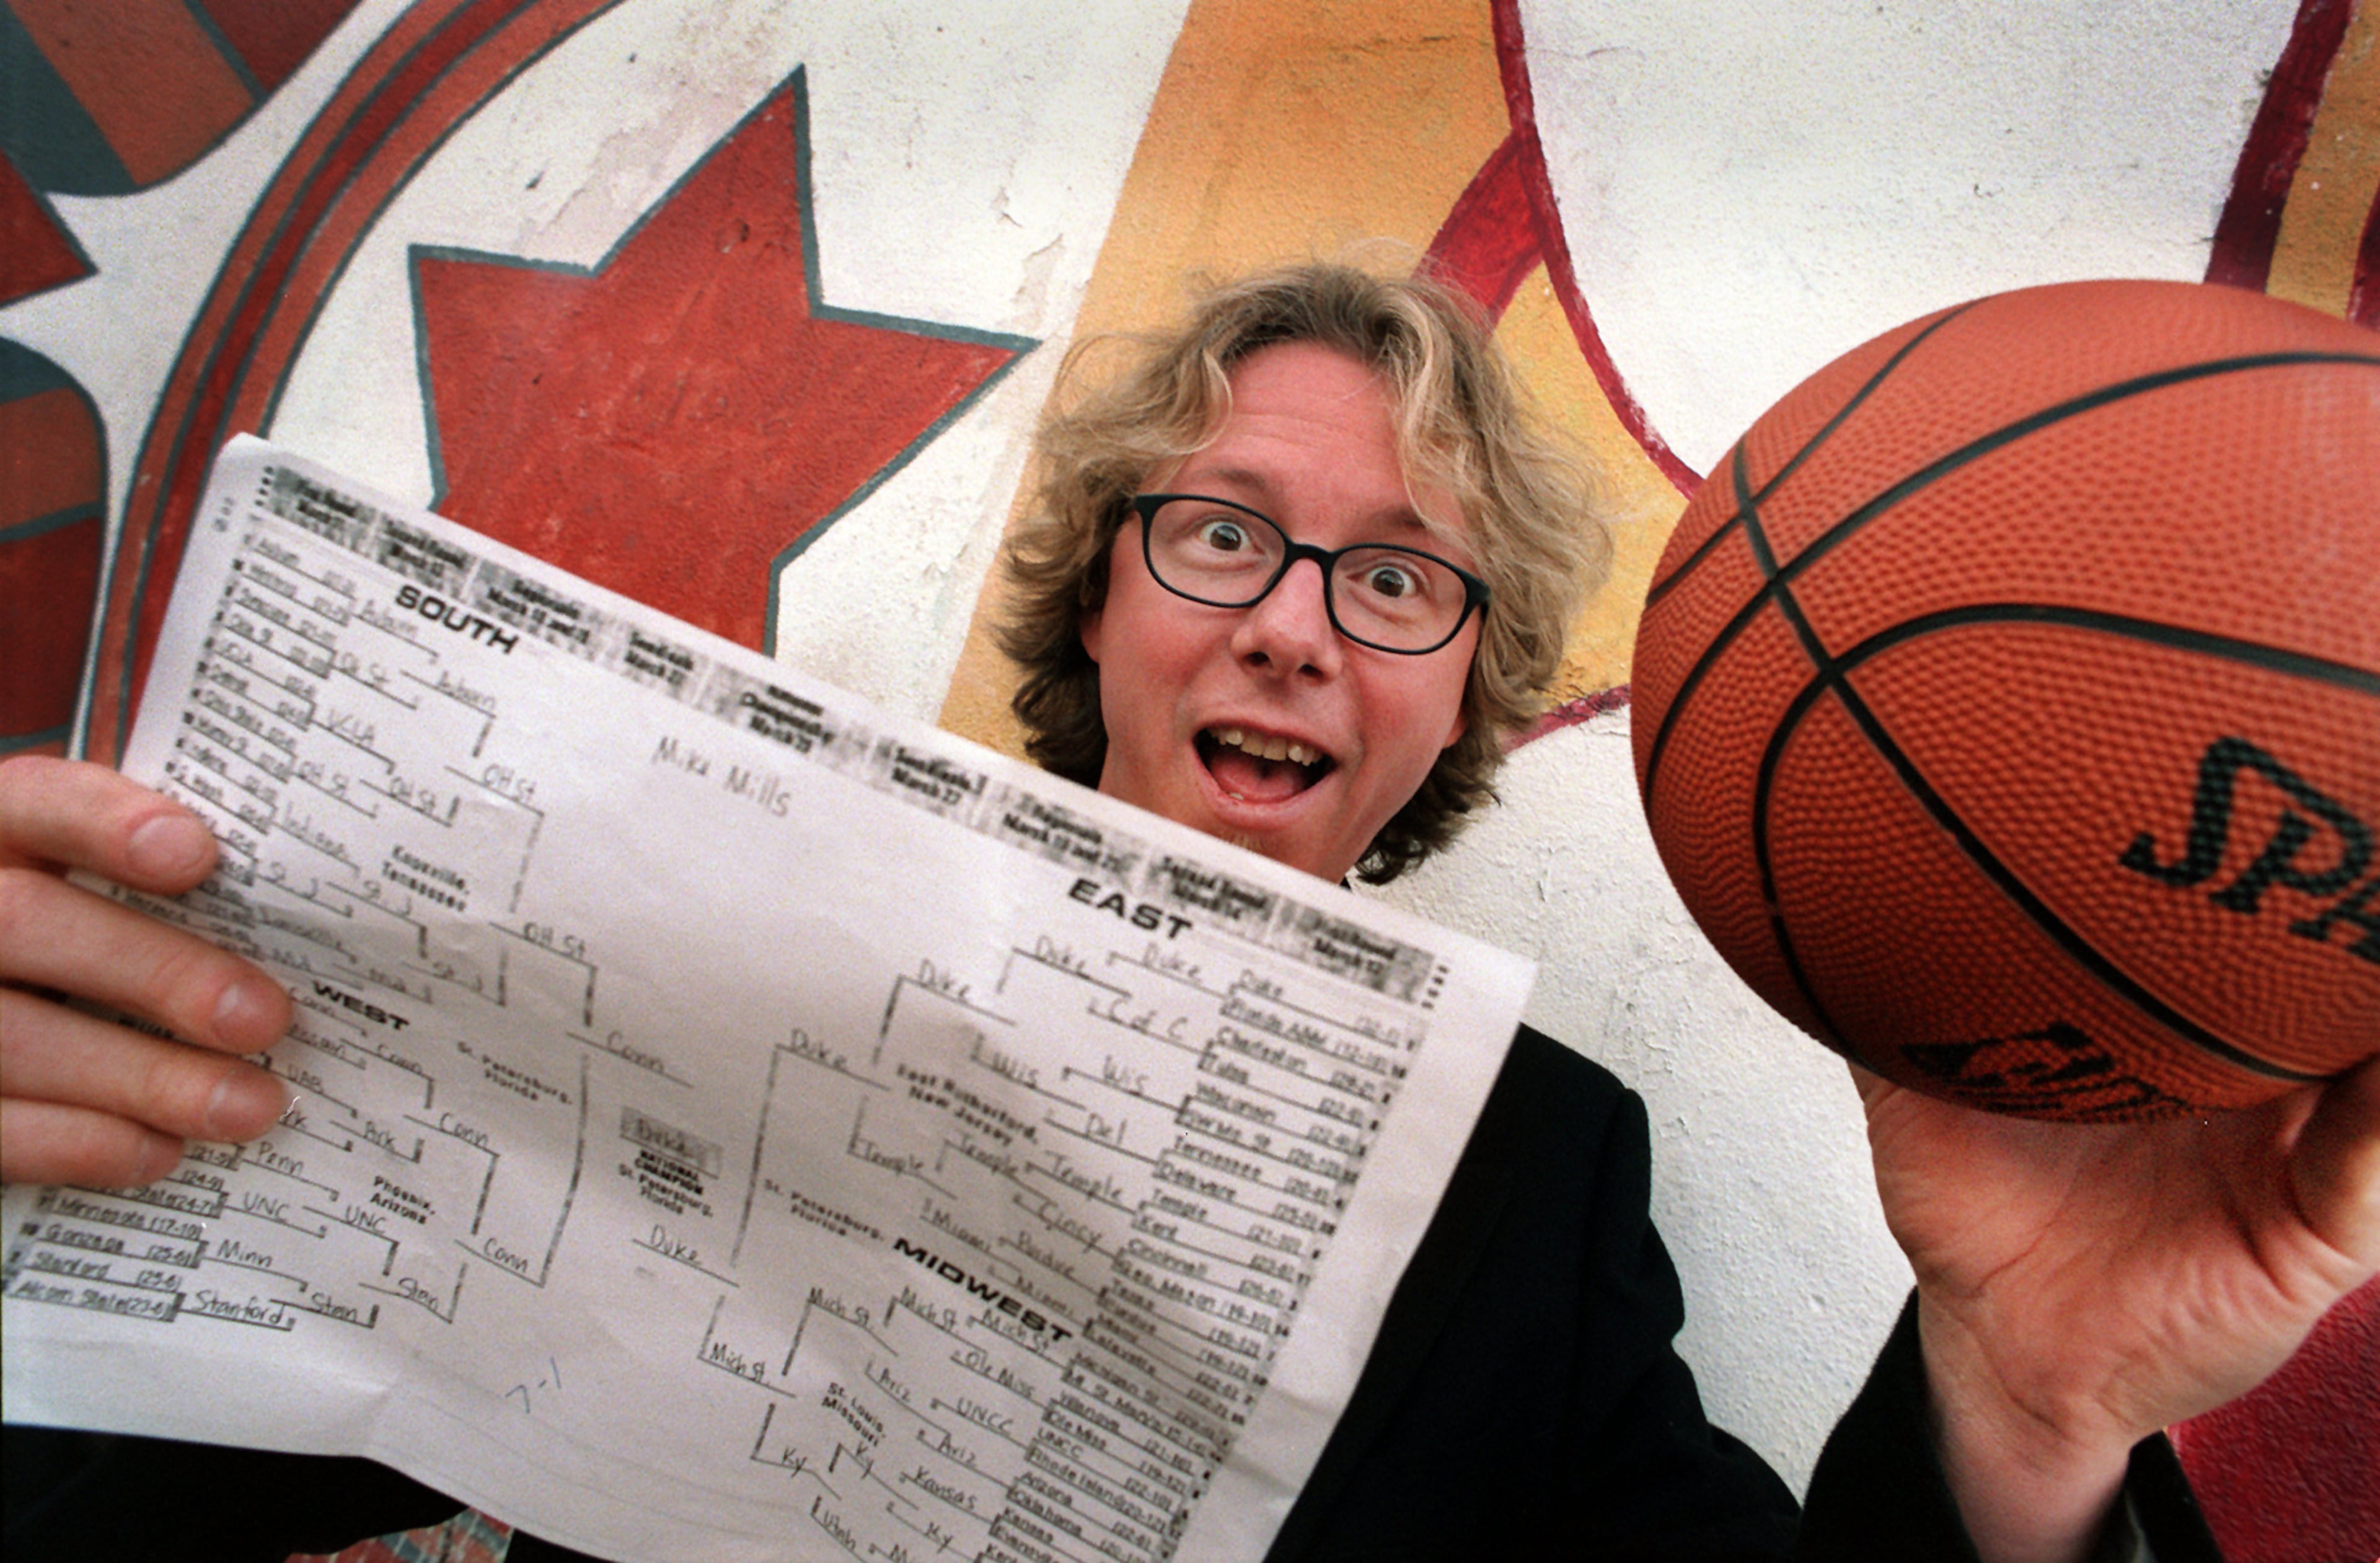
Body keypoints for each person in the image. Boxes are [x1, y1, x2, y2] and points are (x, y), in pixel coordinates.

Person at [4, 263, 2376, 1562]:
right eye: (1223, 531)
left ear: (1455, 703)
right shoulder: (704, 936)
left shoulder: (1540, 1181)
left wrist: (2029, 1405)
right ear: (1107, 603)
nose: (1291, 626)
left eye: (1401, 577)